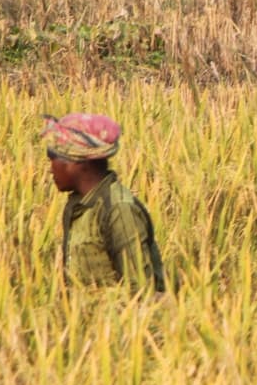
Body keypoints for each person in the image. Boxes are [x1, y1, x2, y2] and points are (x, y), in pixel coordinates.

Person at [42, 112, 166, 292]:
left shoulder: (119, 210)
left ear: (78, 163)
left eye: (54, 157)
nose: (51, 169)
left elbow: (141, 291)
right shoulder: (78, 206)